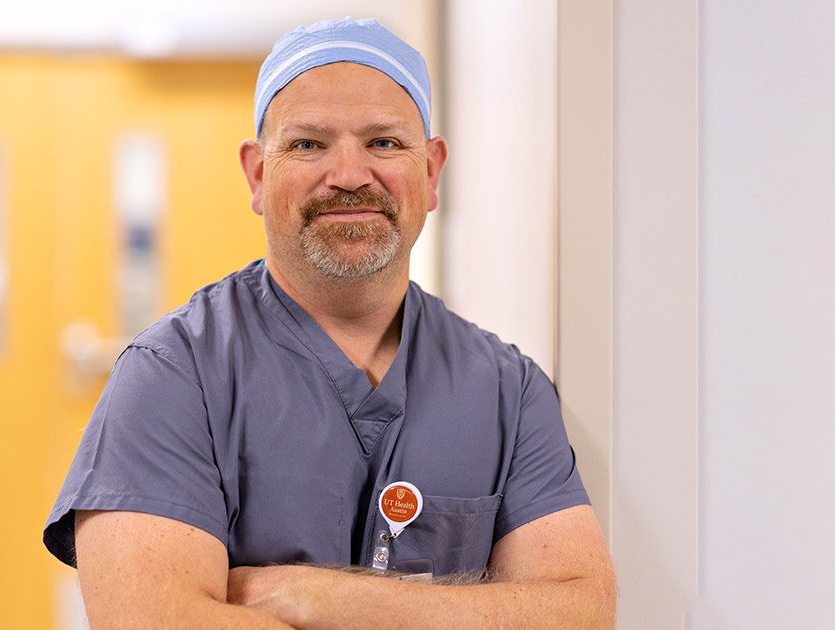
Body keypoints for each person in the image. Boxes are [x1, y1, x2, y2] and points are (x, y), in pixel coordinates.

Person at [44, 17, 615, 628]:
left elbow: (580, 611)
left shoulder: (507, 389)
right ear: (259, 175)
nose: (348, 175)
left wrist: (321, 599)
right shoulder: (173, 375)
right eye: (309, 144)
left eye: (385, 143)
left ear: (431, 174)